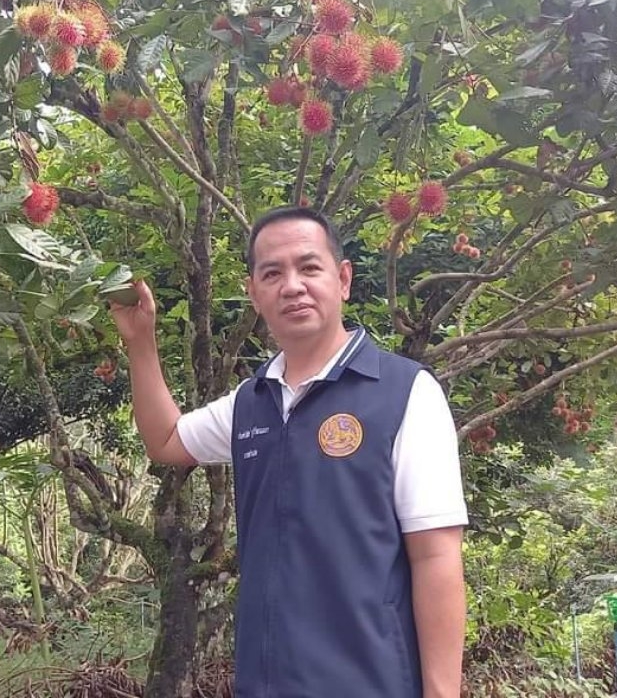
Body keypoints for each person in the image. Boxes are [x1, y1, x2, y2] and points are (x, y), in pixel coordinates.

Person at [109, 206, 468, 697]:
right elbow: (167, 441)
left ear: (342, 279)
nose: (292, 285)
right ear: (253, 293)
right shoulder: (252, 401)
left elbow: (437, 558)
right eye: (272, 273)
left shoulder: (406, 393)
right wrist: (140, 342)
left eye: (309, 267)